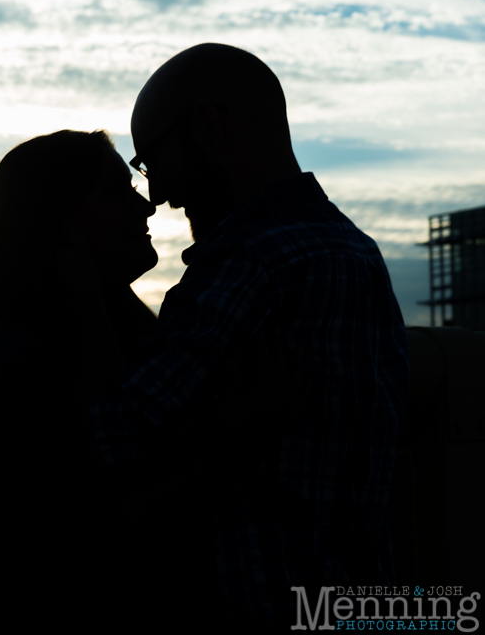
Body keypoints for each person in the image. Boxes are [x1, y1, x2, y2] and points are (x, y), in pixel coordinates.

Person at [91, 43, 410, 633]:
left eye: (151, 157)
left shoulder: (251, 265)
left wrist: (80, 277)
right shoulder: (356, 254)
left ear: (208, 126)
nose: (156, 193)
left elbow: (101, 443)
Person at [0, 129, 158, 634]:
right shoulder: (2, 363)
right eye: (117, 191)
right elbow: (117, 511)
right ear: (56, 222)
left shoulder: (87, 333)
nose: (147, 207)